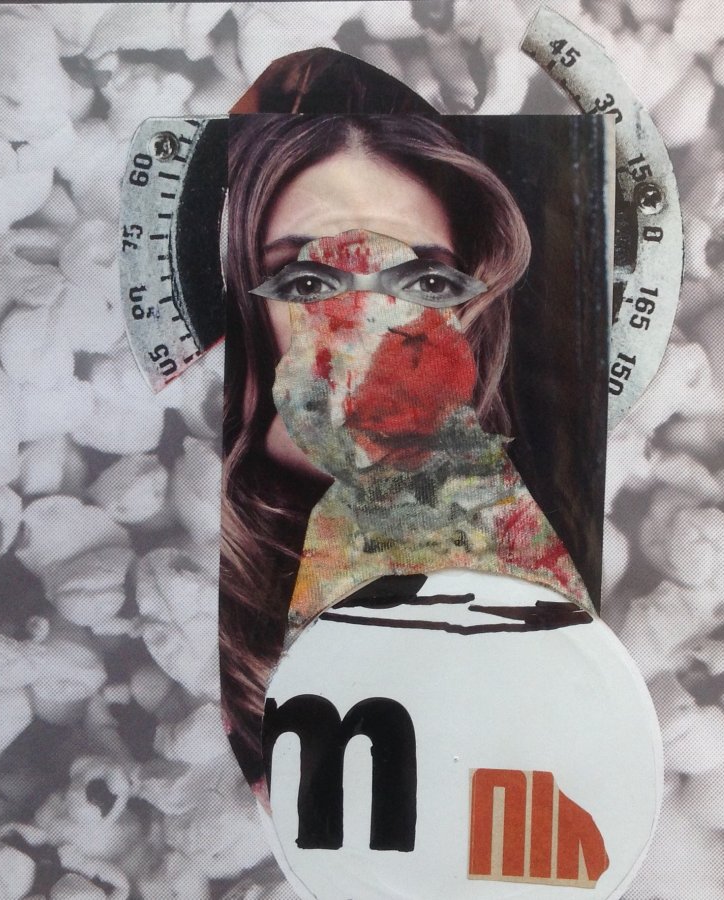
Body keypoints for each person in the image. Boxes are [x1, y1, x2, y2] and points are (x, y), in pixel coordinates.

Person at [220, 113, 591, 784]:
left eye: (424, 283)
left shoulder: (521, 533)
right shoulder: (181, 555)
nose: (369, 322)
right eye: (307, 283)